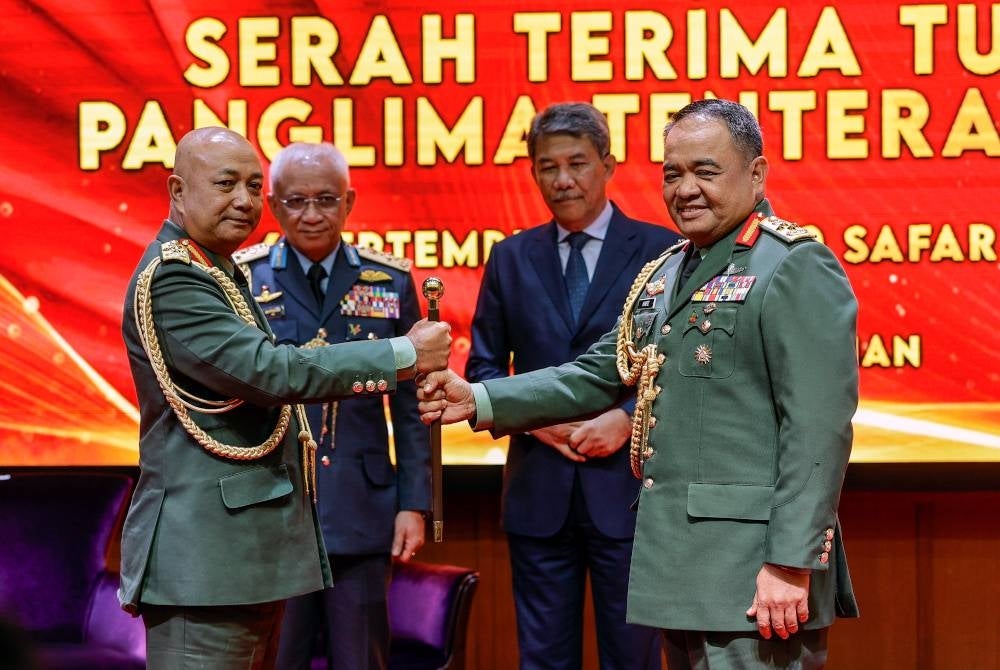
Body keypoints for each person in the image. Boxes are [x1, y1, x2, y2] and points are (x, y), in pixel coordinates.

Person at [419, 98, 859, 669]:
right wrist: (476, 397)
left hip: (756, 577)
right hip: (680, 572)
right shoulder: (669, 269)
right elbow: (596, 372)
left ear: (756, 174)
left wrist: (790, 563)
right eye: (672, 174)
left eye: (706, 171)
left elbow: (819, 432)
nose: (686, 189)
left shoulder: (794, 266)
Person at [118, 127, 450, 669]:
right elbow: (269, 372)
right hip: (210, 556)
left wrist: (415, 498)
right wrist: (400, 354)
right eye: (227, 184)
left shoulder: (217, 271)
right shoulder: (178, 278)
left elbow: (406, 414)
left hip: (267, 539)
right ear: (177, 192)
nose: (245, 201)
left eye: (252, 185)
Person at [466, 102, 676, 669]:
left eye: (577, 163)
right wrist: (540, 421)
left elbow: (679, 364)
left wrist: (628, 418)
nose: (562, 180)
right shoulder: (511, 257)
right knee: (543, 660)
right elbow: (482, 370)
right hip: (540, 492)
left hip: (629, 492)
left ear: (608, 165)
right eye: (547, 166)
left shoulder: (661, 252)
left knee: (633, 658)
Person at [235, 142, 430, 670]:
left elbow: (412, 407)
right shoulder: (244, 280)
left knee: (361, 657)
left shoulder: (387, 280)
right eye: (296, 201)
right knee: (277, 657)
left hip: (364, 505)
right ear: (273, 206)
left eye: (326, 199)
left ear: (349, 201)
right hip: (276, 505)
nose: (312, 215)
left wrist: (414, 502)